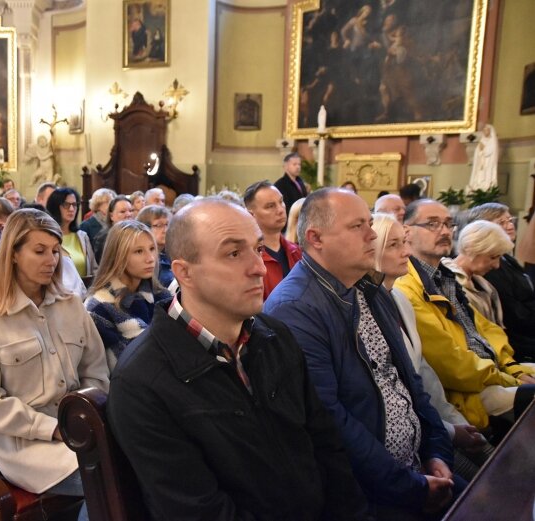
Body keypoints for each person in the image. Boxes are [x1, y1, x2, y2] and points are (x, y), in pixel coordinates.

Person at [107, 198, 369, 520]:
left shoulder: (276, 336)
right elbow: (199, 512)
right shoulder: (142, 382)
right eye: (233, 253)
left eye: (258, 249)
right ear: (184, 272)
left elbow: (328, 449)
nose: (259, 267)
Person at [265, 189, 458, 518]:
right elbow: (330, 420)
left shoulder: (370, 290)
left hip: (417, 467)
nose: (372, 234)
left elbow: (409, 381)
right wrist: (410, 486)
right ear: (316, 238)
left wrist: (436, 450)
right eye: (358, 227)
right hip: (368, 494)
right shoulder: (295, 308)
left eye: (370, 223)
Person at [0, 209, 108, 517]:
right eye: (39, 251)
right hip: (24, 445)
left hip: (78, 430)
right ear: (13, 254)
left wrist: (81, 415)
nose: (51, 260)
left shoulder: (70, 305)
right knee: (106, 481)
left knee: (137, 467)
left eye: (55, 251)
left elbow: (95, 371)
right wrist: (53, 429)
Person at [395, 199, 535, 431]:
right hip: (466, 392)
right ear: (407, 232)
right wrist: (507, 378)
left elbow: (485, 329)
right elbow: (450, 362)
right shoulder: (406, 287)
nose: (443, 231)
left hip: (491, 372)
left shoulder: (445, 275)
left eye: (449, 224)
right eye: (432, 224)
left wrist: (512, 367)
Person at [372, 212, 492, 481]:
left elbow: (423, 373)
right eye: (394, 245)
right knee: (476, 486)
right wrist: (447, 432)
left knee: (495, 464)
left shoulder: (400, 298)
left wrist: (454, 423)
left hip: (434, 422)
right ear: (372, 250)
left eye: (404, 242)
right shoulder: (367, 308)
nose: (406, 251)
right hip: (411, 436)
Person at [84, 220, 171, 369]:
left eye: (152, 249)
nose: (150, 258)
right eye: (139, 251)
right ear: (118, 256)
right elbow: (123, 366)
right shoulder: (99, 308)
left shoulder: (161, 295)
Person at [467, 203, 535, 362]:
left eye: (510, 220)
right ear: (483, 229)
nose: (510, 225)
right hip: (516, 342)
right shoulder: (489, 267)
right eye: (501, 222)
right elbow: (514, 315)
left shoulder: (506, 258)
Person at [442, 221, 511, 326]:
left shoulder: (484, 285)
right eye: (492, 257)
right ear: (471, 249)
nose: (496, 265)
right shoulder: (447, 283)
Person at [243, 181, 302, 299]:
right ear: (251, 215)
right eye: (270, 206)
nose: (280, 210)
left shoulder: (298, 252)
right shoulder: (247, 260)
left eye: (281, 202)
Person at [46, 188, 96, 278]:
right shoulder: (48, 236)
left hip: (84, 289)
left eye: (74, 204)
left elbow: (94, 269)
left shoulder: (82, 236)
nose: (71, 209)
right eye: (66, 205)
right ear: (55, 207)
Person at [136, 204, 173, 287]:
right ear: (145, 228)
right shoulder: (143, 260)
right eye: (159, 225)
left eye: (167, 224)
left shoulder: (173, 252)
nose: (165, 230)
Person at [92, 195, 133, 262]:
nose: (128, 214)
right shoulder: (104, 237)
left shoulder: (136, 234)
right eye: (122, 212)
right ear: (111, 216)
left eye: (131, 210)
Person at [274, 153, 308, 219]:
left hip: (302, 218)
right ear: (286, 166)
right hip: (289, 220)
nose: (298, 167)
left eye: (299, 164)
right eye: (294, 164)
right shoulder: (280, 184)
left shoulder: (300, 182)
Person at [468, 124, 499, 191]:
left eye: (486, 130)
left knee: (486, 176)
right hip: (481, 164)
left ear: (490, 131)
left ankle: (486, 187)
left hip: (488, 164)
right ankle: (477, 187)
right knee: (479, 176)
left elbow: (489, 151)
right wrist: (480, 151)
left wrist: (483, 149)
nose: (485, 131)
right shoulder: (482, 140)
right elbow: (477, 151)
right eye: (484, 130)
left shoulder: (492, 141)